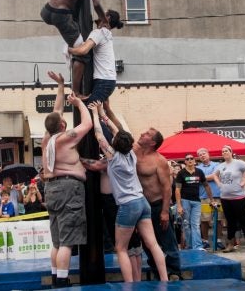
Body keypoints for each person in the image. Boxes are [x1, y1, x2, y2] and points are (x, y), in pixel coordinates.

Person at [85, 101, 168, 282]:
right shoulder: (131, 153)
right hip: (142, 202)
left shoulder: (113, 157)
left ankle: (129, 284)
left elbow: (99, 135)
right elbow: (116, 131)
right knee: (153, 244)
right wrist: (101, 112)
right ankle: (164, 279)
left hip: (128, 205)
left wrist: (93, 113)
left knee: (121, 248)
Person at [41, 70, 92, 288]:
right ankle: (62, 281)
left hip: (51, 189)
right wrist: (80, 104)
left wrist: (61, 86)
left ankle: (55, 277)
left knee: (57, 240)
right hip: (68, 188)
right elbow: (87, 124)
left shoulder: (47, 138)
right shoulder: (65, 138)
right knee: (68, 242)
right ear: (62, 126)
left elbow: (56, 110)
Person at [40, 0, 108, 96]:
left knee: (75, 33)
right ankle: (76, 92)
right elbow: (96, 4)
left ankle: (70, 47)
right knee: (83, 54)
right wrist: (104, 20)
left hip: (46, 10)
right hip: (61, 15)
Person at [133, 126, 181, 280]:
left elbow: (167, 188)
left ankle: (174, 272)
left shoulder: (159, 160)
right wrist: (105, 112)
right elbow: (118, 130)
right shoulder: (134, 150)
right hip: (142, 206)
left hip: (158, 204)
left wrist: (165, 211)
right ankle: (157, 270)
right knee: (147, 242)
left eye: (147, 134)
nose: (142, 133)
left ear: (152, 142)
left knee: (168, 241)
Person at [67, 9, 124, 103]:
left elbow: (83, 50)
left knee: (89, 110)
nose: (100, 13)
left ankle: (76, 93)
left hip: (103, 81)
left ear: (107, 17)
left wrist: (69, 50)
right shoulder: (107, 34)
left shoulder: (99, 32)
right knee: (94, 111)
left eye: (103, 12)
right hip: (107, 81)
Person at [213, 145, 245, 253]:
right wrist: (218, 183)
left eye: (226, 150)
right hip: (225, 197)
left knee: (244, 220)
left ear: (231, 152)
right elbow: (214, 175)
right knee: (230, 221)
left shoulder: (238, 163)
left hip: (240, 196)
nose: (224, 152)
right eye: (223, 151)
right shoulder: (221, 165)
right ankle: (230, 244)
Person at [175, 153, 213, 251]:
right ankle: (190, 246)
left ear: (195, 161)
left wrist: (211, 200)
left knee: (195, 224)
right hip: (185, 201)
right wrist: (179, 205)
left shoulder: (199, 172)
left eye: (192, 158)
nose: (190, 160)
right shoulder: (181, 173)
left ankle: (198, 247)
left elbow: (206, 186)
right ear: (185, 162)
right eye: (187, 159)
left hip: (196, 201)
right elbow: (177, 190)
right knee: (186, 225)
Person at [196, 148, 224, 249]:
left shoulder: (217, 165)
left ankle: (219, 240)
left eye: (204, 153)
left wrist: (203, 178)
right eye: (200, 155)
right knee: (204, 220)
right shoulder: (197, 168)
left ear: (208, 154)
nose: (202, 155)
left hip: (217, 195)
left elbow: (216, 176)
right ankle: (205, 240)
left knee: (219, 219)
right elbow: (197, 178)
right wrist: (211, 176)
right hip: (203, 196)